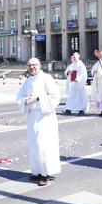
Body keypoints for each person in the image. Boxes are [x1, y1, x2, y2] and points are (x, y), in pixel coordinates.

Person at [16, 57, 61, 186]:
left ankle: (45, 173)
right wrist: (25, 100)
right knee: (34, 145)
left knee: (43, 145)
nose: (32, 67)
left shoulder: (47, 78)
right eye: (29, 65)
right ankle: (36, 171)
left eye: (34, 65)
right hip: (32, 117)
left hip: (45, 116)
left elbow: (55, 97)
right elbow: (19, 97)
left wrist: (38, 98)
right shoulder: (28, 81)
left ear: (40, 66)